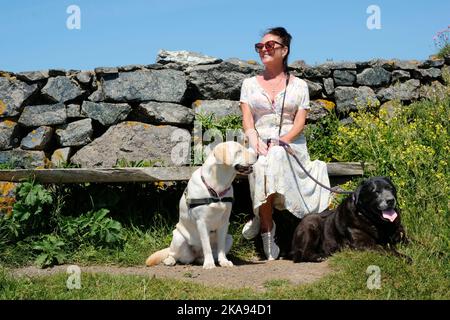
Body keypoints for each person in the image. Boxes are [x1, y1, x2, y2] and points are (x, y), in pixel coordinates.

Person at [239, 27, 331, 260]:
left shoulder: (299, 85)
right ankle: (267, 231)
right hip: (258, 142)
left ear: (285, 50)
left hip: (291, 143)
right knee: (260, 162)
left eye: (270, 45)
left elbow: (300, 123)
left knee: (276, 155)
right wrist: (255, 141)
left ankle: (260, 220)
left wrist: (282, 141)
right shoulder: (249, 84)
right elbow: (248, 121)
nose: (264, 49)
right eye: (260, 46)